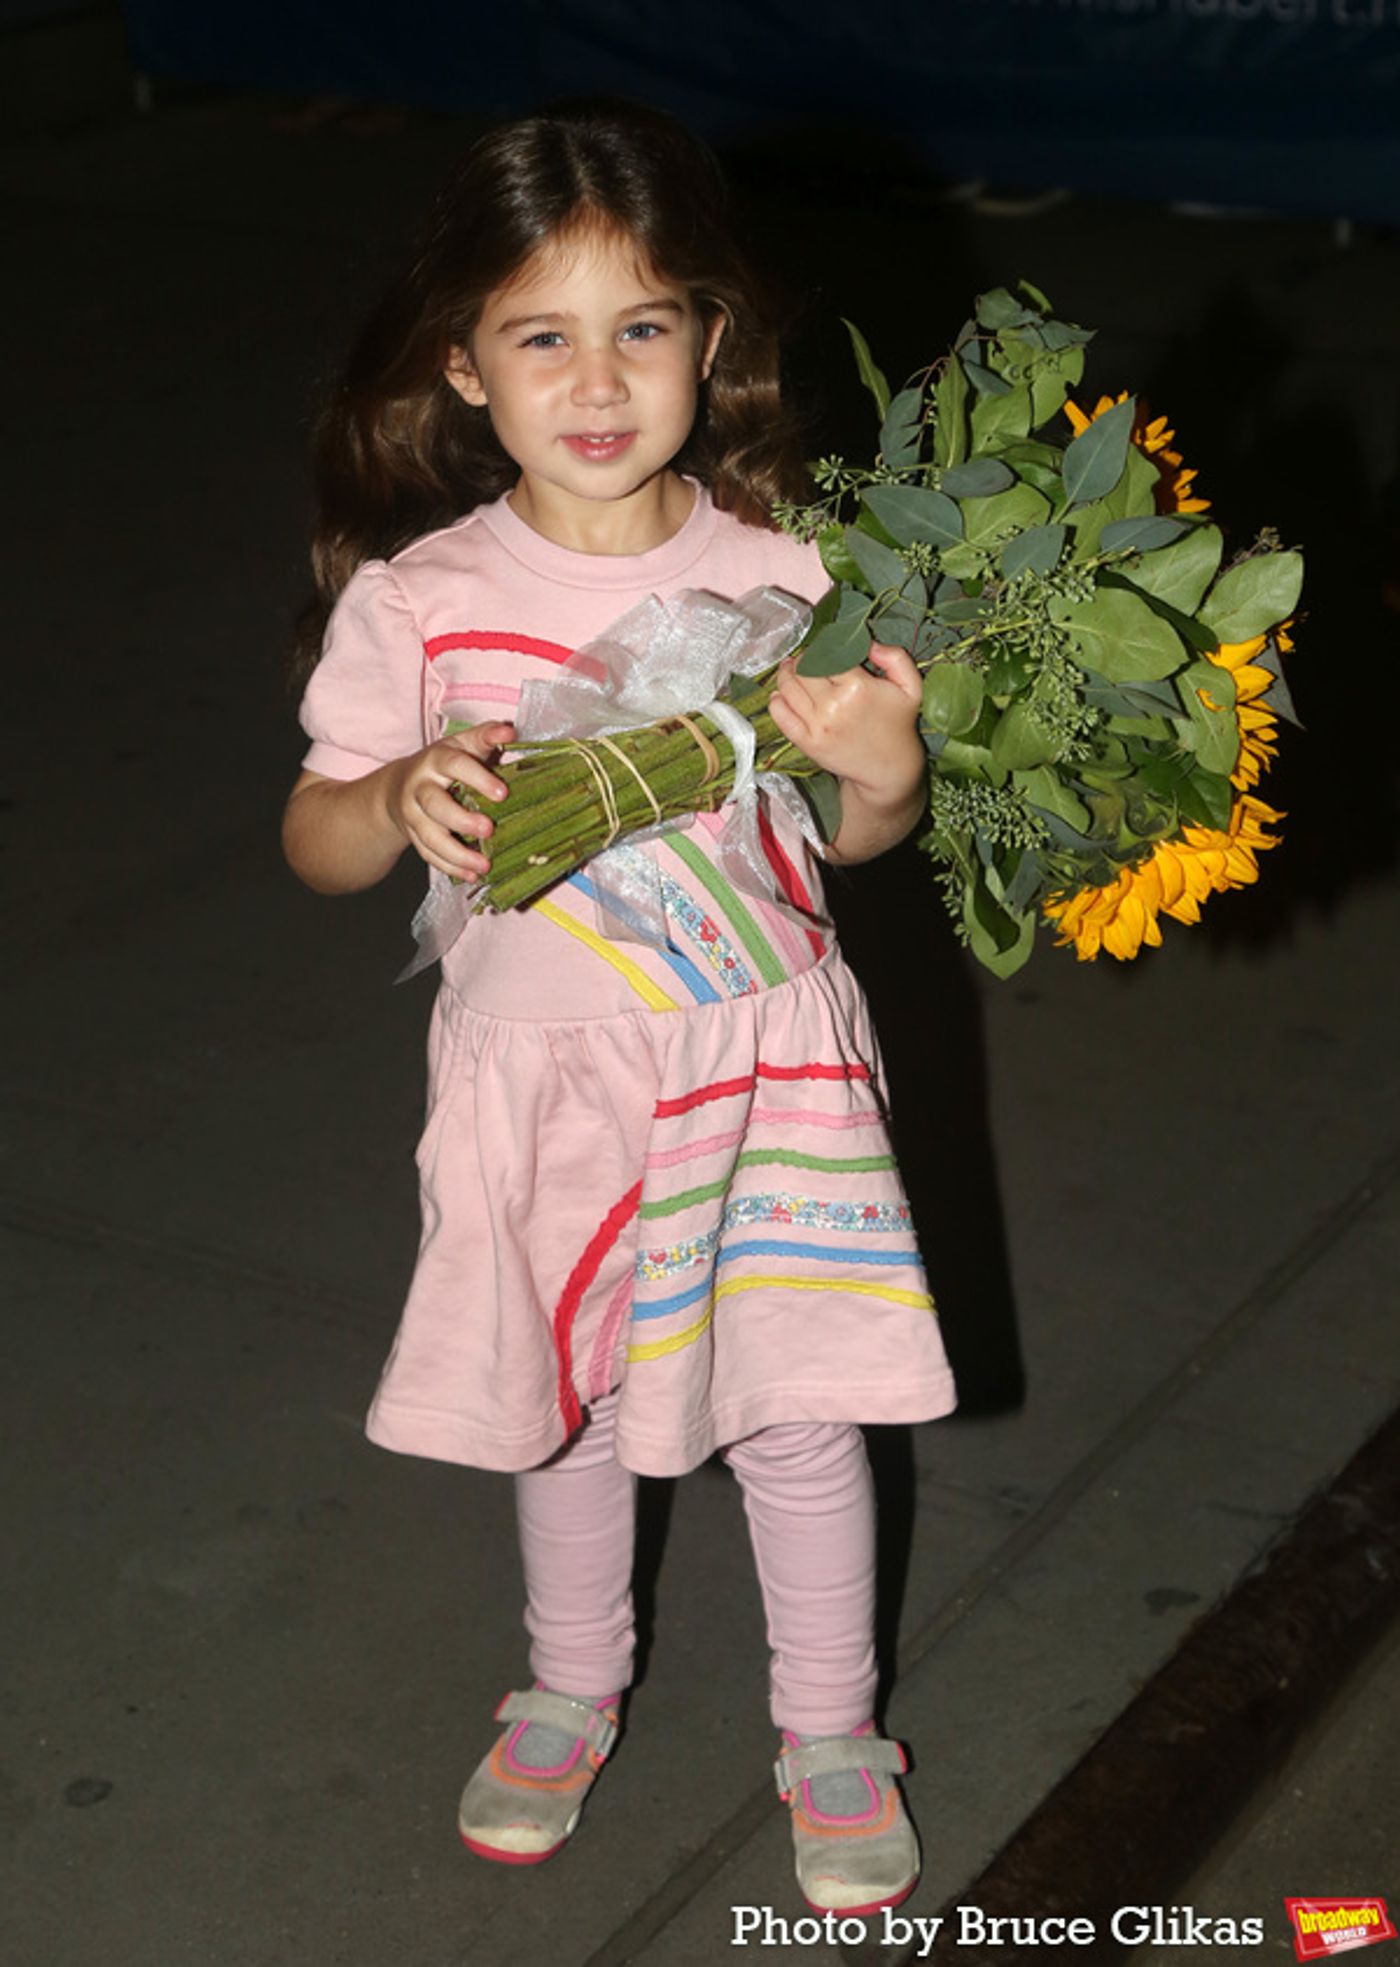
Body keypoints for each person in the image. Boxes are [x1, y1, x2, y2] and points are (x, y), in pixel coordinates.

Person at [282, 98, 957, 1917]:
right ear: (466, 370)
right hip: (547, 1087)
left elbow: (862, 838)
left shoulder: (789, 572)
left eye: (642, 326)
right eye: (542, 335)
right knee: (564, 1404)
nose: (598, 380)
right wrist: (392, 799)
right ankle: (572, 1682)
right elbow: (319, 836)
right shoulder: (429, 601)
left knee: (799, 1411)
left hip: (764, 1067)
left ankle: (831, 1727)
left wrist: (883, 765)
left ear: (709, 345)